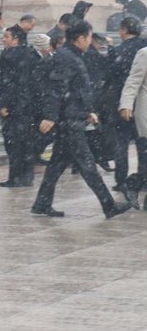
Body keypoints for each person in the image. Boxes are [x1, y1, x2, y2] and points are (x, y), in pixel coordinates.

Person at [31, 19, 132, 219]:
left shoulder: (72, 56)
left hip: (72, 116)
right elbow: (57, 88)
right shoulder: (67, 57)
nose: (90, 41)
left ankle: (42, 204)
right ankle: (108, 205)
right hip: (68, 121)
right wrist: (50, 116)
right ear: (80, 38)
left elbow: (76, 90)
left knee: (57, 165)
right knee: (88, 166)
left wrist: (87, 111)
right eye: (88, 37)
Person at [98, 17, 147, 192]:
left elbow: (110, 74)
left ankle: (122, 180)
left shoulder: (121, 50)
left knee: (122, 144)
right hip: (139, 104)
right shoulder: (142, 47)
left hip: (122, 104)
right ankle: (143, 178)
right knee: (143, 145)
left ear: (124, 30)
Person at [0, 25, 39, 187]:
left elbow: (5, 83)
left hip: (13, 106)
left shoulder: (7, 55)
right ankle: (27, 176)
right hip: (28, 106)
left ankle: (15, 177)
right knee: (26, 142)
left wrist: (4, 104)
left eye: (6, 36)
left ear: (15, 39)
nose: (3, 39)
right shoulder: (31, 53)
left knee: (13, 143)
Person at [120, 45, 147, 200]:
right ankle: (133, 185)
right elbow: (133, 81)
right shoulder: (144, 54)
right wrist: (126, 104)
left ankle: (134, 185)